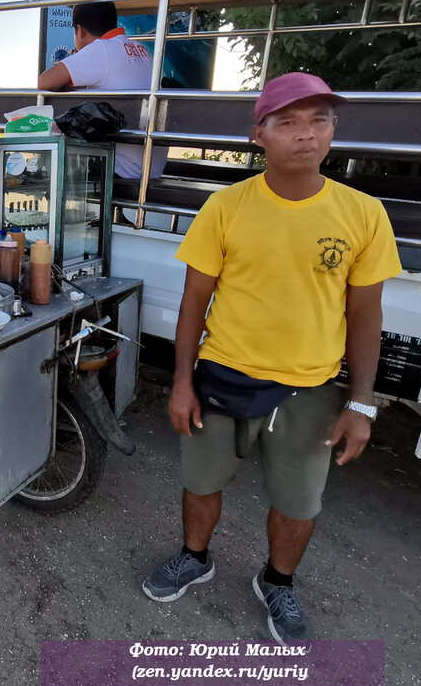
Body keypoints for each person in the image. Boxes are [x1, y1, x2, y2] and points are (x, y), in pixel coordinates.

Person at [140, 72, 402, 644]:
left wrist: (363, 404)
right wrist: (181, 381)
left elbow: (366, 316)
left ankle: (278, 581)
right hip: (222, 377)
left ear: (333, 130)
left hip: (310, 391)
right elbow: (194, 303)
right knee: (202, 482)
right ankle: (195, 556)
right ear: (260, 134)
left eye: (319, 120)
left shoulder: (363, 214)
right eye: (287, 122)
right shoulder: (227, 207)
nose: (305, 135)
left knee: (299, 501)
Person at [37, 0, 167, 180]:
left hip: (120, 168)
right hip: (151, 167)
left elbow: (43, 82)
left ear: (80, 30)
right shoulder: (141, 49)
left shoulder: (101, 49)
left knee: (41, 166)